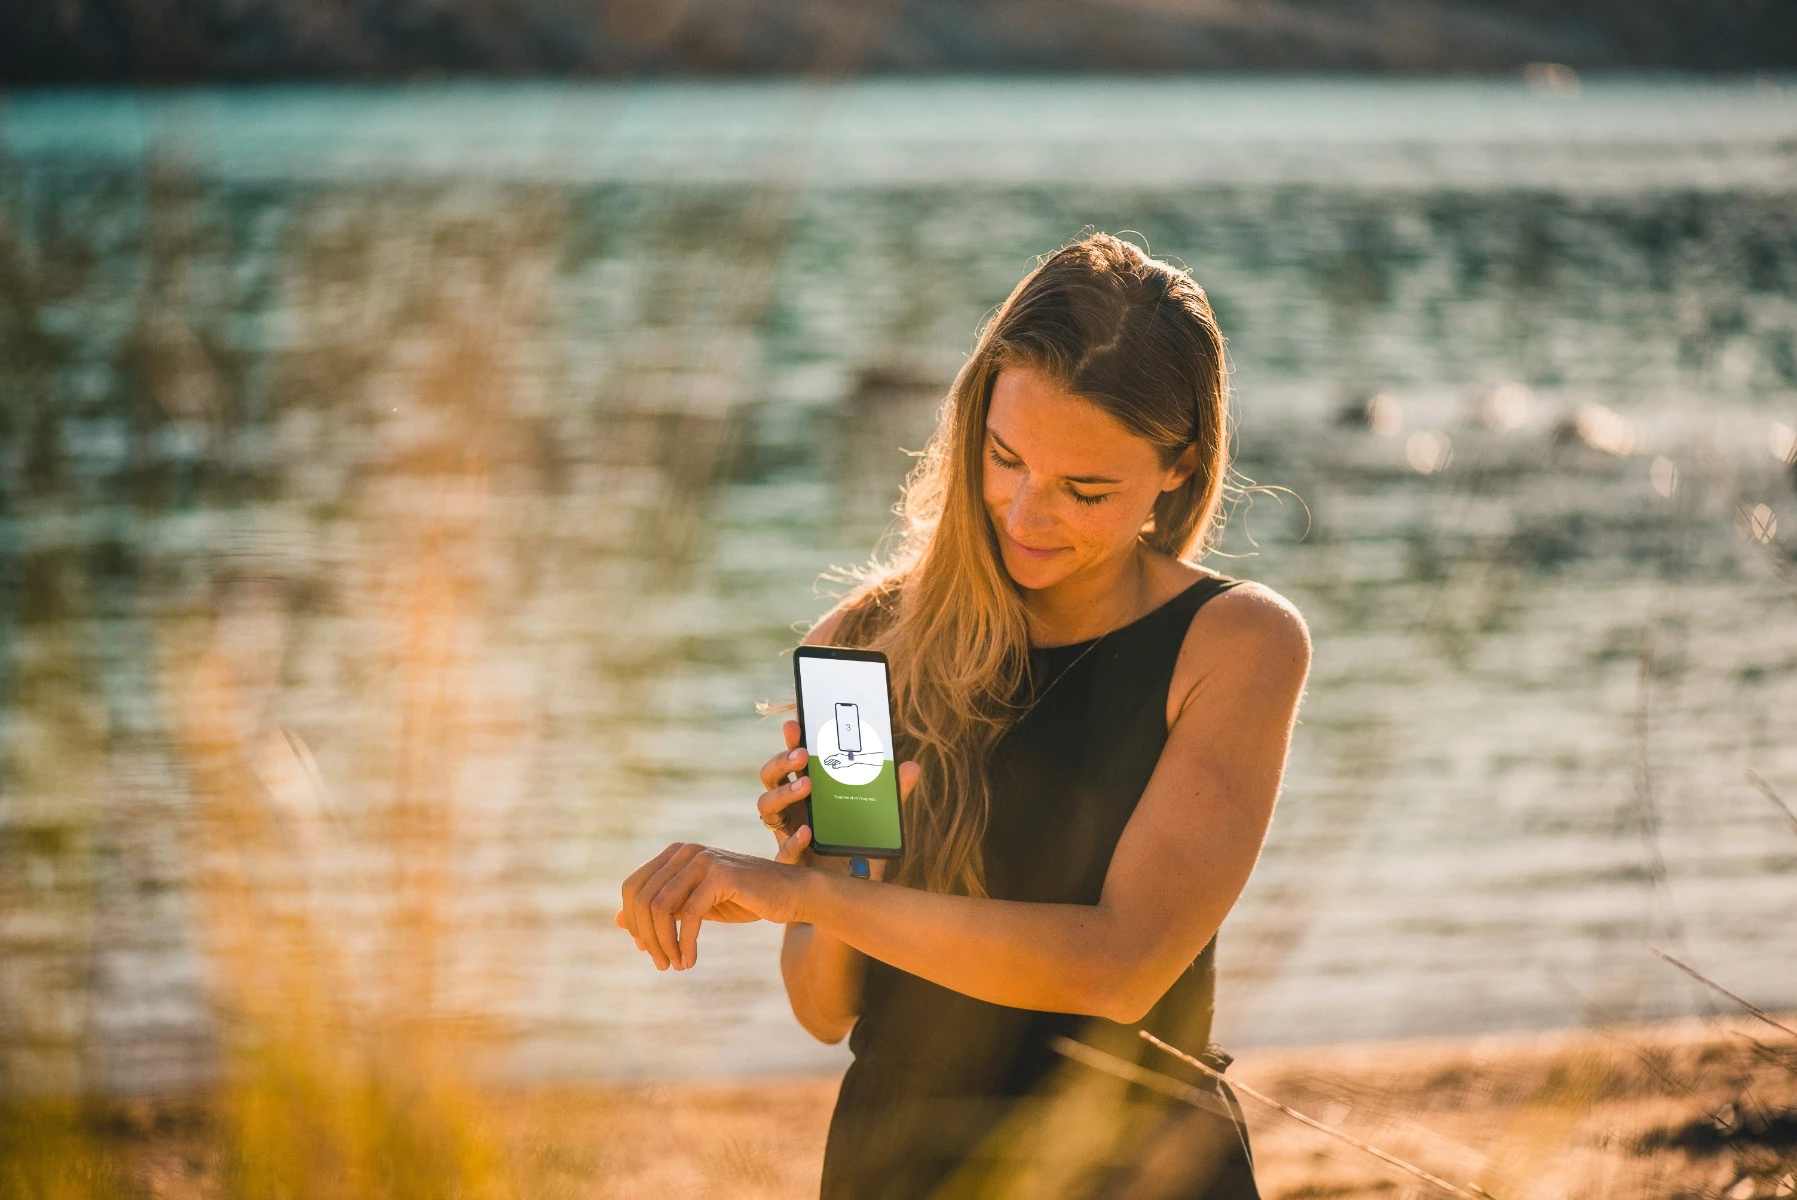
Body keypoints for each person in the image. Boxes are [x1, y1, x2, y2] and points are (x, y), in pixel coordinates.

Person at [617, 232, 1311, 1199]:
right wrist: (834, 868)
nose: (1025, 514)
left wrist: (810, 897)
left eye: (1083, 489)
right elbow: (823, 1009)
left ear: (1178, 466)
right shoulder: (863, 643)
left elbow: (1120, 970)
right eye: (1004, 458)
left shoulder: (1233, 642)